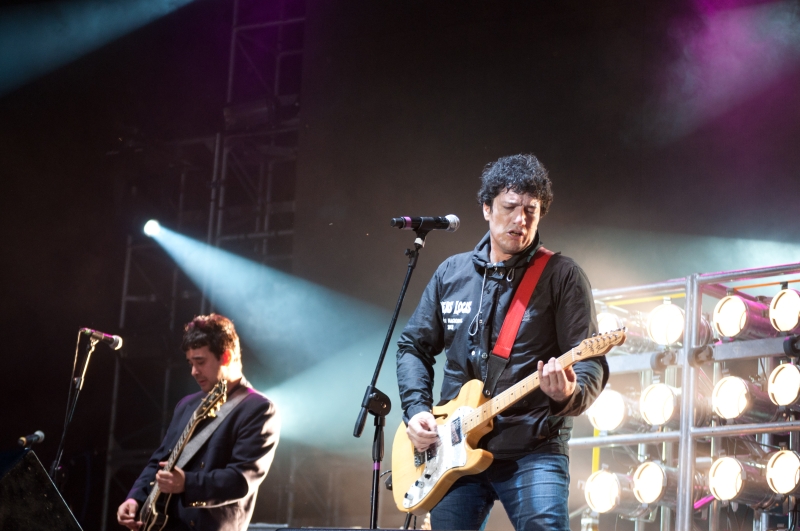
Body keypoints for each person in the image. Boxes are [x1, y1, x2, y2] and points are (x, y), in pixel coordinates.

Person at [396, 153, 608, 531]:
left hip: (534, 448)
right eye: (510, 207)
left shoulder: (562, 276)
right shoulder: (452, 273)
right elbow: (413, 346)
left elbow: (592, 362)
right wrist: (416, 409)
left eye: (532, 210)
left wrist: (568, 392)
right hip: (453, 447)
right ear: (486, 208)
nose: (521, 219)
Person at [117, 314, 280, 531]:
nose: (193, 371)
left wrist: (187, 483)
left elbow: (241, 480)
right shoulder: (187, 405)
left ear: (226, 356)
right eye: (190, 363)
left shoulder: (258, 408)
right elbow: (160, 460)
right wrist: (135, 498)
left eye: (200, 362)